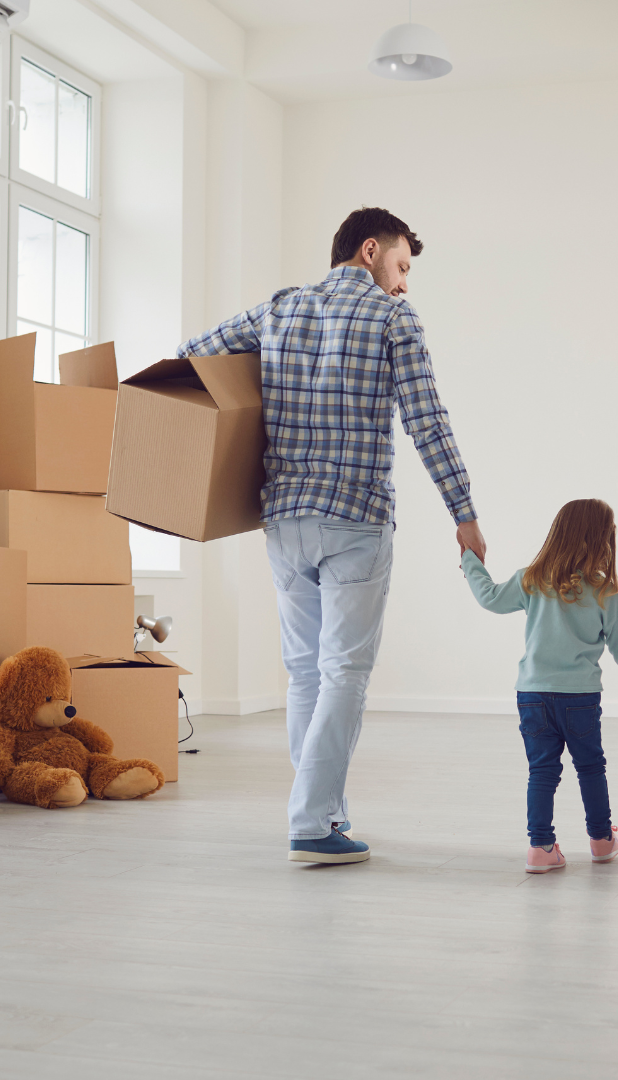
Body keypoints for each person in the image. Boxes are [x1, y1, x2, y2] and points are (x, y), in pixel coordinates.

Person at [178, 207, 486, 865]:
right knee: (343, 670)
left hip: (284, 518)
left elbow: (192, 357)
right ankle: (313, 822)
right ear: (370, 251)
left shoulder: (279, 310)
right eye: (402, 266)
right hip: (355, 519)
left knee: (303, 673)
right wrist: (464, 512)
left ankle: (325, 812)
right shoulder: (393, 318)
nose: (404, 283)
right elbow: (427, 422)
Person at [460, 499, 618, 873]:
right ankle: (602, 840)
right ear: (604, 540)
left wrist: (470, 559)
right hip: (580, 698)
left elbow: (488, 597)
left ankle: (541, 849)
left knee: (542, 771)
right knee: (590, 767)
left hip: (532, 694)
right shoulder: (605, 592)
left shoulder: (531, 579)